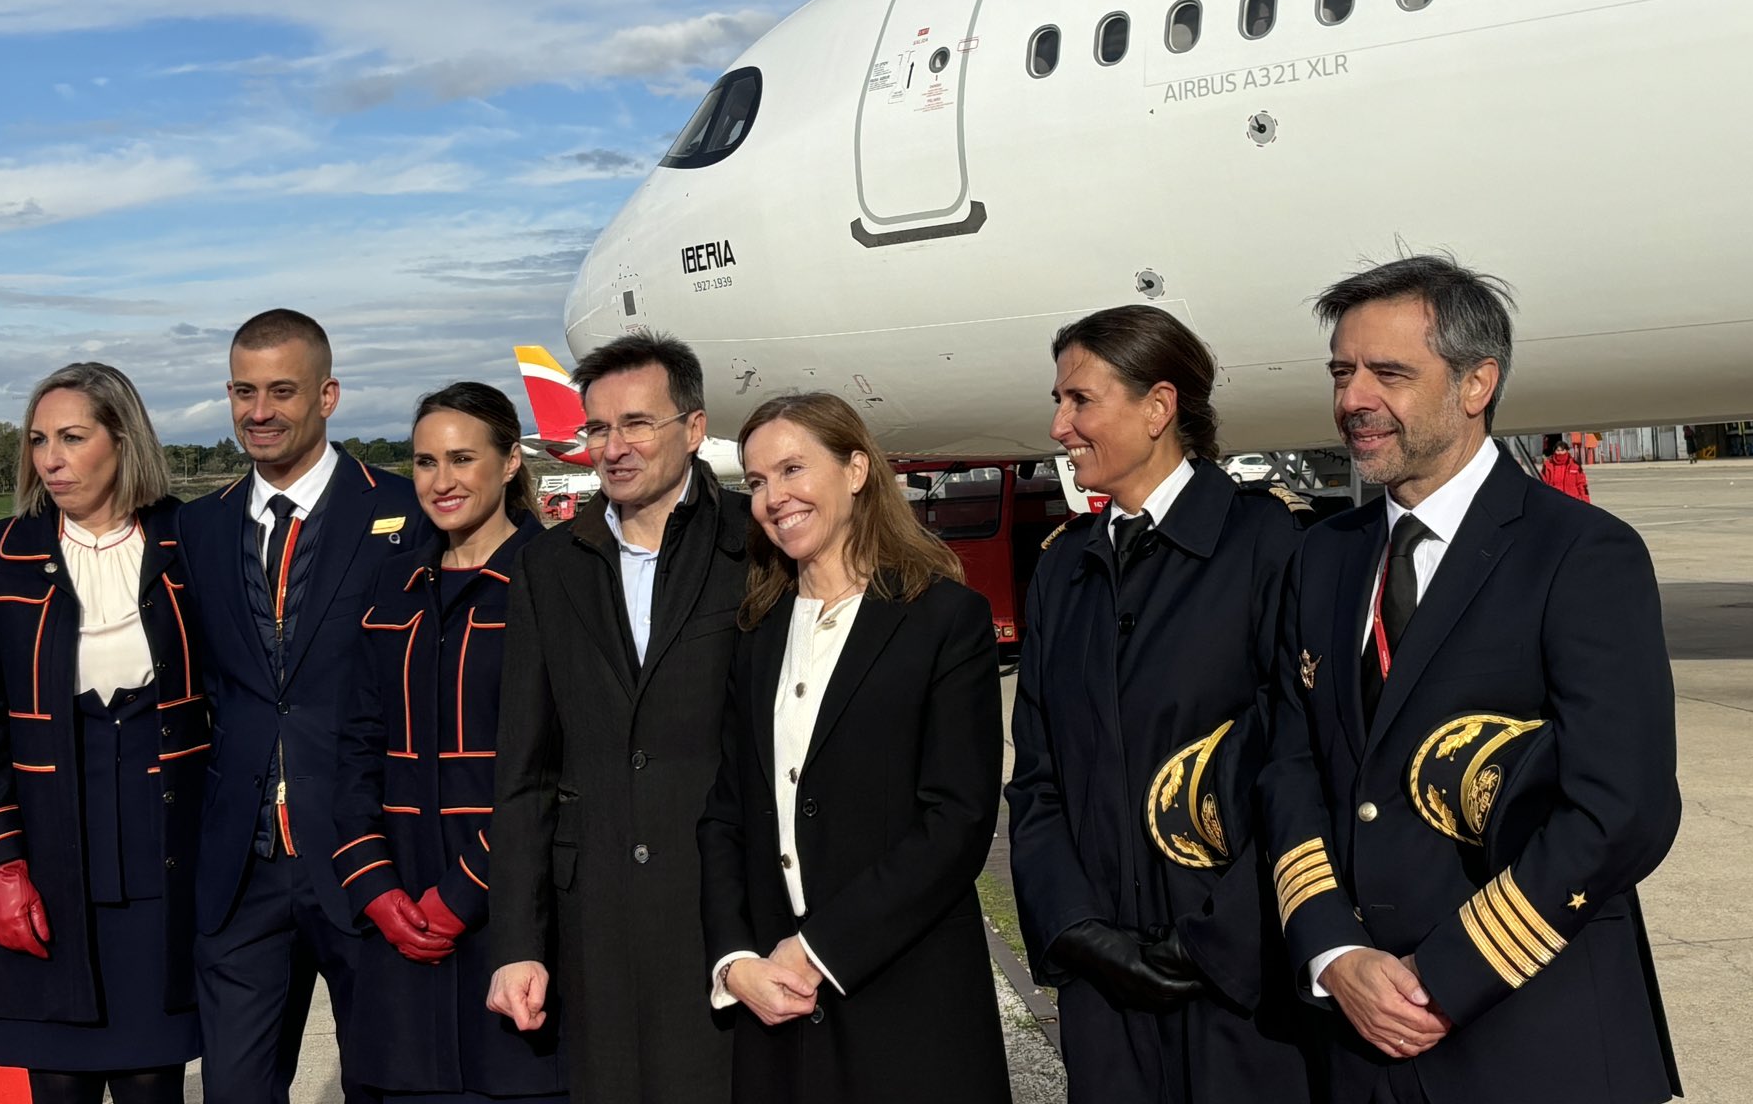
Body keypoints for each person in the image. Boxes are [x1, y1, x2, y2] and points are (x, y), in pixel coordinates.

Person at [1258, 255, 1682, 1104]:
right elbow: (1290, 763)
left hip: (1531, 1035)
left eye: (1388, 373)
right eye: (1343, 372)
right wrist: (1335, 953)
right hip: (1357, 1037)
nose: (1353, 400)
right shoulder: (1324, 556)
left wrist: (1442, 979)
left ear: (1477, 382)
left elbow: (1622, 808)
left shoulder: (1579, 555)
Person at [1005, 305, 1318, 1103]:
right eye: (1059, 400)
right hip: (1104, 998)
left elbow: (1304, 763)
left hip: (1239, 993)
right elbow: (1038, 779)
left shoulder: (1267, 548)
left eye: (1080, 401)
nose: (1059, 425)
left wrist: (1217, 942)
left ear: (1158, 408)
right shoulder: (1063, 570)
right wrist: (1073, 930)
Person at [698, 392, 1011, 1103]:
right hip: (775, 1009)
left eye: (792, 470)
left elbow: (956, 821)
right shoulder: (755, 632)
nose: (775, 497)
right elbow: (725, 814)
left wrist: (817, 951)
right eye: (757, 481)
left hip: (907, 1003)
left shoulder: (942, 619)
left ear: (857, 470)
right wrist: (734, 957)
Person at [488, 333, 749, 1102]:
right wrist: (517, 943)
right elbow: (524, 769)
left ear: (694, 429)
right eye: (597, 429)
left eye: (637, 424)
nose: (613, 447)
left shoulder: (754, 543)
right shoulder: (548, 563)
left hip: (721, 912)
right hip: (593, 917)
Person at [0, 363, 205, 1104]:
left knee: (153, 1081)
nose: (50, 459)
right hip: (46, 869)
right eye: (38, 441)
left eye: (71, 437)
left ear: (122, 440)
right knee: (58, 1084)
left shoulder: (189, 540)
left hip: (161, 867)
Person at [177, 309, 419, 1102]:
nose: (260, 410)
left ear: (328, 395)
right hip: (242, 870)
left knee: (386, 1082)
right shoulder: (199, 527)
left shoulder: (406, 513)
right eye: (244, 391)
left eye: (282, 390)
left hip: (365, 855)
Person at [332, 382, 567, 1102]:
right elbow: (355, 745)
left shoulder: (556, 582)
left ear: (509, 465)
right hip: (398, 924)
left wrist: (463, 894)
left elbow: (564, 765)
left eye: (463, 459)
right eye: (425, 462)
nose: (441, 481)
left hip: (511, 919)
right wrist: (372, 886)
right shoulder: (393, 586)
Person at [1539, 435, 1590, 502]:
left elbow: (1582, 485)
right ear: (1554, 451)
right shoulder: (1548, 465)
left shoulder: (1575, 466)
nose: (1560, 453)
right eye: (1558, 450)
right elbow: (1542, 483)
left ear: (1567, 451)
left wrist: (1586, 501)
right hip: (1554, 500)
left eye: (1562, 450)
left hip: (1572, 501)